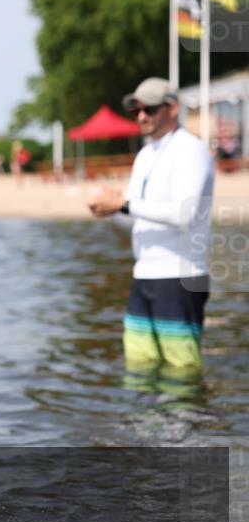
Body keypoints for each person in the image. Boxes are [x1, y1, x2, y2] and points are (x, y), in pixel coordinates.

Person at [87, 77, 214, 378]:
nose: (142, 116)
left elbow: (185, 215)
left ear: (172, 108)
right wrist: (109, 209)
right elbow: (134, 215)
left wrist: (123, 204)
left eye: (150, 109)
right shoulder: (145, 155)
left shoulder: (190, 150)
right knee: (139, 366)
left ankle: (188, 424)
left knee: (181, 371)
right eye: (136, 111)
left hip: (179, 275)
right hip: (143, 273)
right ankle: (142, 425)